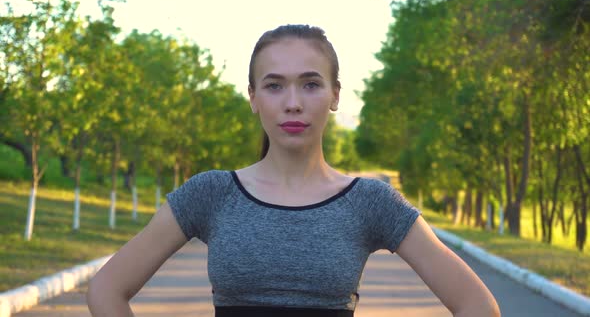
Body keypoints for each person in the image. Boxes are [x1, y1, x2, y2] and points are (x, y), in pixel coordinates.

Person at [87, 24, 500, 317]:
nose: (293, 103)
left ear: (335, 95)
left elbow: (478, 306)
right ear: (252, 97)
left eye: (310, 84)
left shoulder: (371, 202)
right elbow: (106, 290)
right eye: (274, 85)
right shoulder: (210, 193)